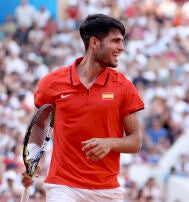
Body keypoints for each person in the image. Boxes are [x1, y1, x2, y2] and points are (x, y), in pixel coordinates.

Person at [21, 14, 145, 202]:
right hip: (63, 187)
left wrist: (110, 143)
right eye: (116, 41)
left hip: (106, 191)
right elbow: (38, 124)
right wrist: (32, 158)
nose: (122, 47)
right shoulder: (53, 82)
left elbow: (135, 141)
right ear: (94, 43)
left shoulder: (124, 86)